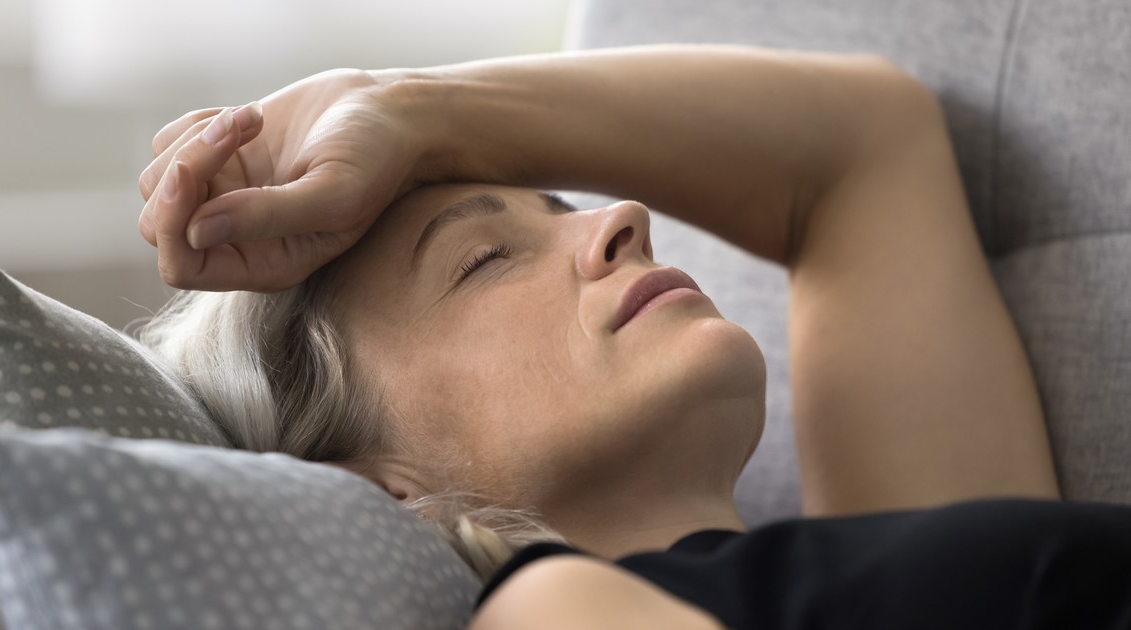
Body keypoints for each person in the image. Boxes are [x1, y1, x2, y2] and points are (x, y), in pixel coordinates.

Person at [135, 45, 1131, 628]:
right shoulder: (549, 612)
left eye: (560, 209)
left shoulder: (876, 564)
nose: (623, 218)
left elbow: (866, 138)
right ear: (378, 489)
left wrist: (402, 107)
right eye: (485, 258)